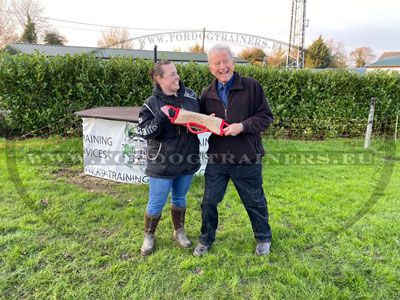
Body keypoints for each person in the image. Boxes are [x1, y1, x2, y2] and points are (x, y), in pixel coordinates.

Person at [193, 44, 274, 256]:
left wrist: (243, 126)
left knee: (254, 201)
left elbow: (266, 117)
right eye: (217, 63)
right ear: (210, 68)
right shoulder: (207, 94)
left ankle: (263, 237)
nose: (222, 67)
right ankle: (205, 240)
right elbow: (202, 123)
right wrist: (205, 123)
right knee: (209, 201)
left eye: (225, 61)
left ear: (233, 63)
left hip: (247, 157)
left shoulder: (252, 86)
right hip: (218, 159)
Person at [137, 60, 200, 256]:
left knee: (180, 198)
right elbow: (144, 132)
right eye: (172, 74)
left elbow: (201, 118)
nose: (177, 77)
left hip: (188, 156)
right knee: (156, 202)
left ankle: (179, 231)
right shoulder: (151, 103)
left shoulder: (190, 95)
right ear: (159, 78)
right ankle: (149, 235)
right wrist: (160, 119)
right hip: (162, 161)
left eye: (177, 73)